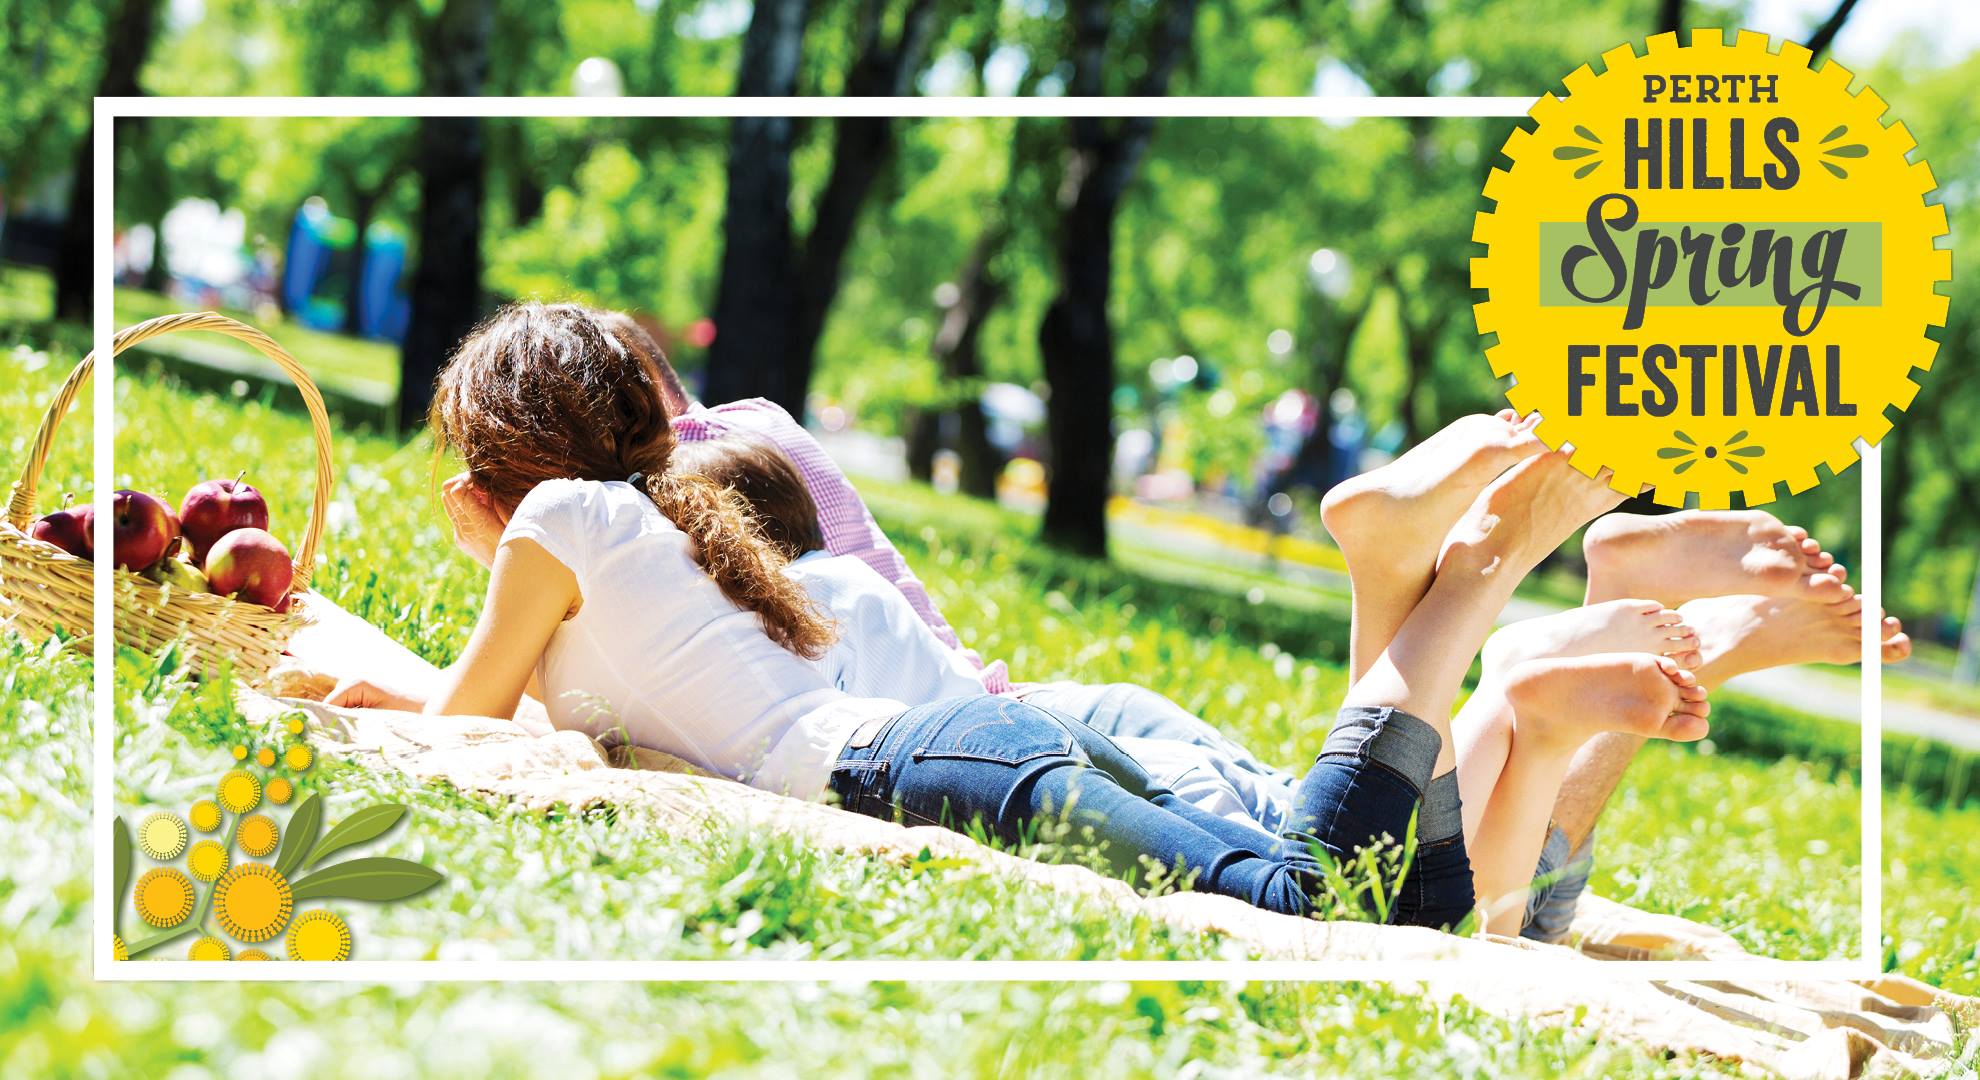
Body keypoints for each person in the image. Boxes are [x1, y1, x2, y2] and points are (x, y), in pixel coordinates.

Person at [333, 302, 1701, 928]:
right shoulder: (694, 540)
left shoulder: (562, 526)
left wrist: (413, 650)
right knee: (1378, 896)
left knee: (1302, 897)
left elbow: (473, 728)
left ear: (490, 483)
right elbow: (527, 700)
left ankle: (1463, 588)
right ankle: (1412, 593)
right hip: (969, 743)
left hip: (930, 767)